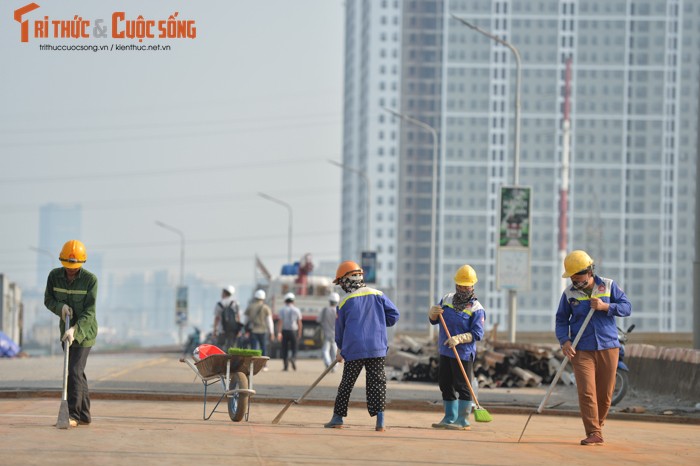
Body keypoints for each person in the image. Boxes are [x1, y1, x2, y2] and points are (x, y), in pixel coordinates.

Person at [556, 250, 632, 446]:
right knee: (586, 391)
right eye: (571, 277)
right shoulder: (569, 294)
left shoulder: (607, 286)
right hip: (581, 348)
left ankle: (596, 426)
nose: (575, 280)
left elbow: (626, 307)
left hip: (608, 346)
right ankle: (593, 432)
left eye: (578, 276)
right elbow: (561, 320)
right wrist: (565, 341)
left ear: (589, 271)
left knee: (605, 394)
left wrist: (605, 307)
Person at [324, 261, 399, 432]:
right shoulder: (378, 294)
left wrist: (340, 349)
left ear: (347, 280)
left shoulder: (345, 302)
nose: (342, 286)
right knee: (377, 383)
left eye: (341, 282)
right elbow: (394, 315)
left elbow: (340, 330)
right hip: (376, 348)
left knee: (347, 383)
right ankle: (380, 421)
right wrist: (379, 323)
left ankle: (338, 418)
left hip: (354, 349)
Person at [44, 239, 98, 428]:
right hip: (64, 331)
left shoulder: (90, 280)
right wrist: (60, 307)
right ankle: (85, 414)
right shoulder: (54, 276)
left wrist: (76, 329)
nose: (71, 270)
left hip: (85, 332)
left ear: (82, 263)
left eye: (74, 267)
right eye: (68, 266)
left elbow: (90, 312)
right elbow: (48, 299)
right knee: (77, 372)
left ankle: (73, 415)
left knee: (74, 371)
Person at [428, 264, 485, 431]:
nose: (462, 288)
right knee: (445, 383)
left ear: (472, 286)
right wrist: (432, 313)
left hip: (463, 353)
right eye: (460, 285)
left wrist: (460, 338)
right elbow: (434, 321)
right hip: (445, 350)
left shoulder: (476, 309)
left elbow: (477, 333)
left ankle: (463, 419)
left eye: (465, 286)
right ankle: (449, 417)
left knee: (462, 385)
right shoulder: (446, 299)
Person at [244, 289, 275, 357]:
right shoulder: (266, 308)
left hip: (253, 330)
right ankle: (264, 364)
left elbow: (246, 320)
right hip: (263, 330)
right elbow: (269, 321)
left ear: (255, 297)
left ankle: (253, 363)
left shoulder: (250, 307)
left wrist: (245, 330)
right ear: (263, 298)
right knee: (263, 347)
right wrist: (271, 333)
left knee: (253, 348)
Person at [276, 292, 302, 371]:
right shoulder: (296, 310)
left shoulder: (282, 310)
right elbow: (299, 322)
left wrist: (279, 333)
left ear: (285, 301)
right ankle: (293, 358)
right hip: (293, 331)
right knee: (294, 347)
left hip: (284, 331)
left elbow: (280, 322)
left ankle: (285, 366)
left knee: (284, 348)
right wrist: (299, 333)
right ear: (293, 301)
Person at [212, 285, 240, 351]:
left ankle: (221, 361)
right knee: (232, 348)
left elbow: (217, 318)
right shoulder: (235, 303)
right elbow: (238, 317)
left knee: (220, 347)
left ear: (224, 293)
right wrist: (238, 330)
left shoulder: (219, 303)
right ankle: (232, 361)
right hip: (233, 330)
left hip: (222, 330)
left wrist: (215, 330)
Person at [318, 292, 339, 370]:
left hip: (327, 333)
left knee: (325, 350)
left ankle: (328, 363)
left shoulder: (325, 310)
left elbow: (319, 320)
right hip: (336, 334)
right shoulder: (338, 311)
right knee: (334, 351)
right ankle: (334, 367)